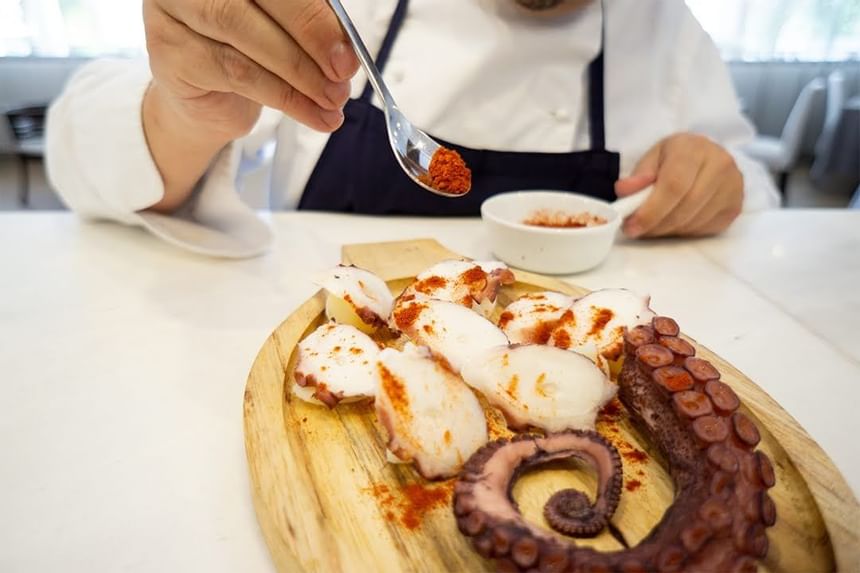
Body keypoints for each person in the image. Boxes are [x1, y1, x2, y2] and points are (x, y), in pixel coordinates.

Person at [46, 0, 779, 258]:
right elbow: (79, 151)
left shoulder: (668, 30)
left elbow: (759, 192)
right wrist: (187, 111)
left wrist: (719, 181)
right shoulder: (347, 7)